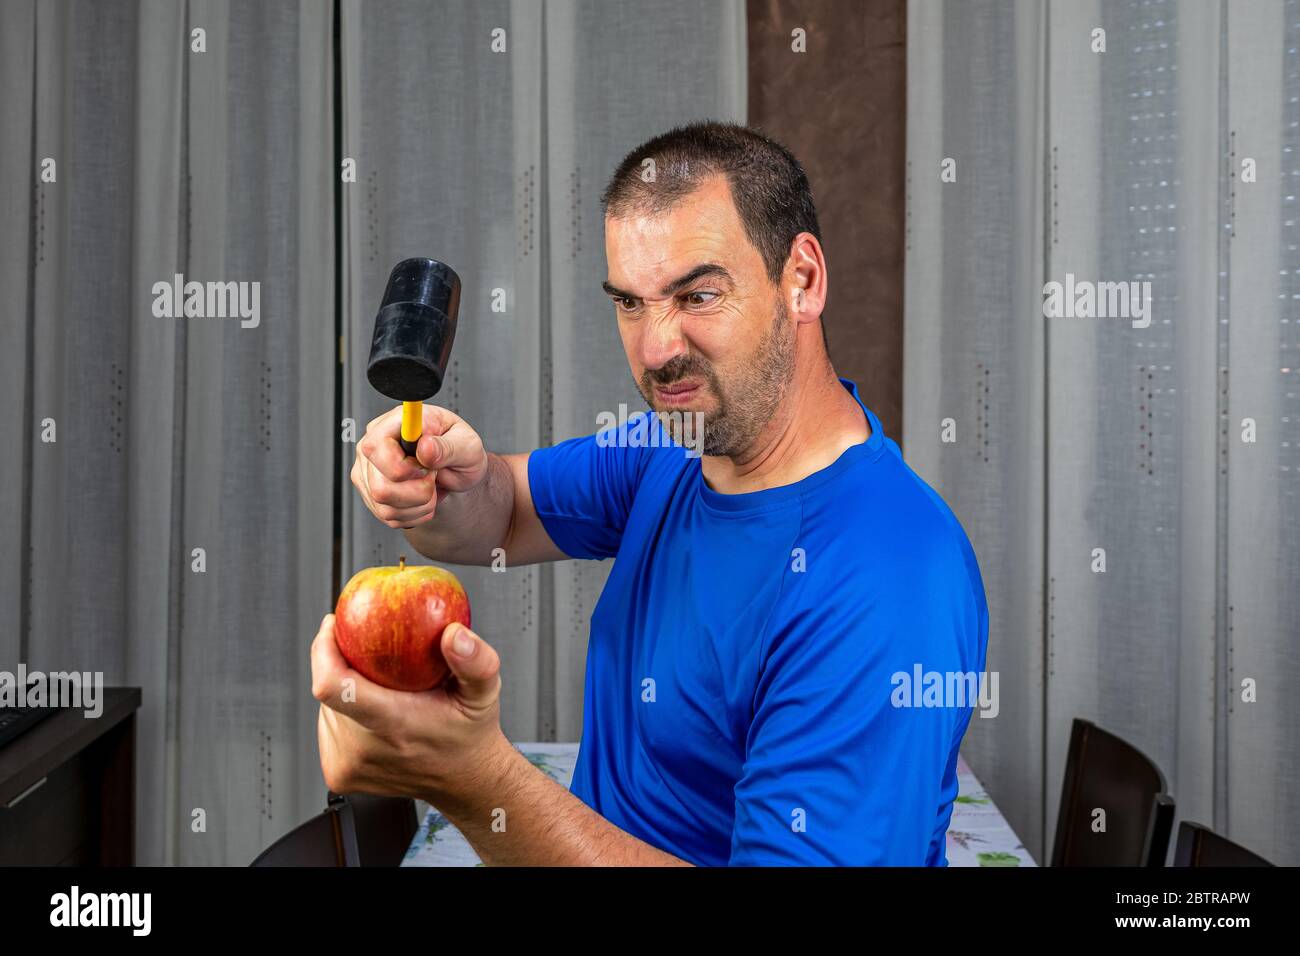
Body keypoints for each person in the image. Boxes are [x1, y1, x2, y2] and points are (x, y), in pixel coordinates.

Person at [312, 120, 989, 866]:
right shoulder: (673, 447)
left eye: (696, 295)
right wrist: (440, 484)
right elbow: (500, 516)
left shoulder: (887, 580)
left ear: (801, 280)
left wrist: (477, 782)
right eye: (631, 303)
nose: (657, 349)